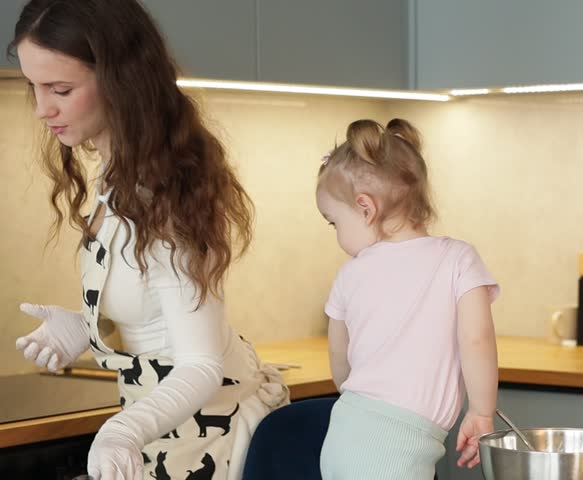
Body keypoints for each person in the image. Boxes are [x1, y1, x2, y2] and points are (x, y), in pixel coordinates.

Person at [7, 1, 289, 479]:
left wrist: (121, 432)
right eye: (33, 87)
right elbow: (153, 304)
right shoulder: (115, 178)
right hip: (159, 419)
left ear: (121, 82)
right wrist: (87, 327)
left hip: (206, 432)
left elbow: (200, 364)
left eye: (60, 89)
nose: (41, 109)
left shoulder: (165, 197)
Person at [315, 118, 500, 479]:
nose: (337, 235)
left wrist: (359, 398)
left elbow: (339, 354)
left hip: (344, 431)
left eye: (334, 222)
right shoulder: (458, 259)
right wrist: (481, 412)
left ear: (365, 208)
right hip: (397, 447)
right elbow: (477, 339)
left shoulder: (349, 273)